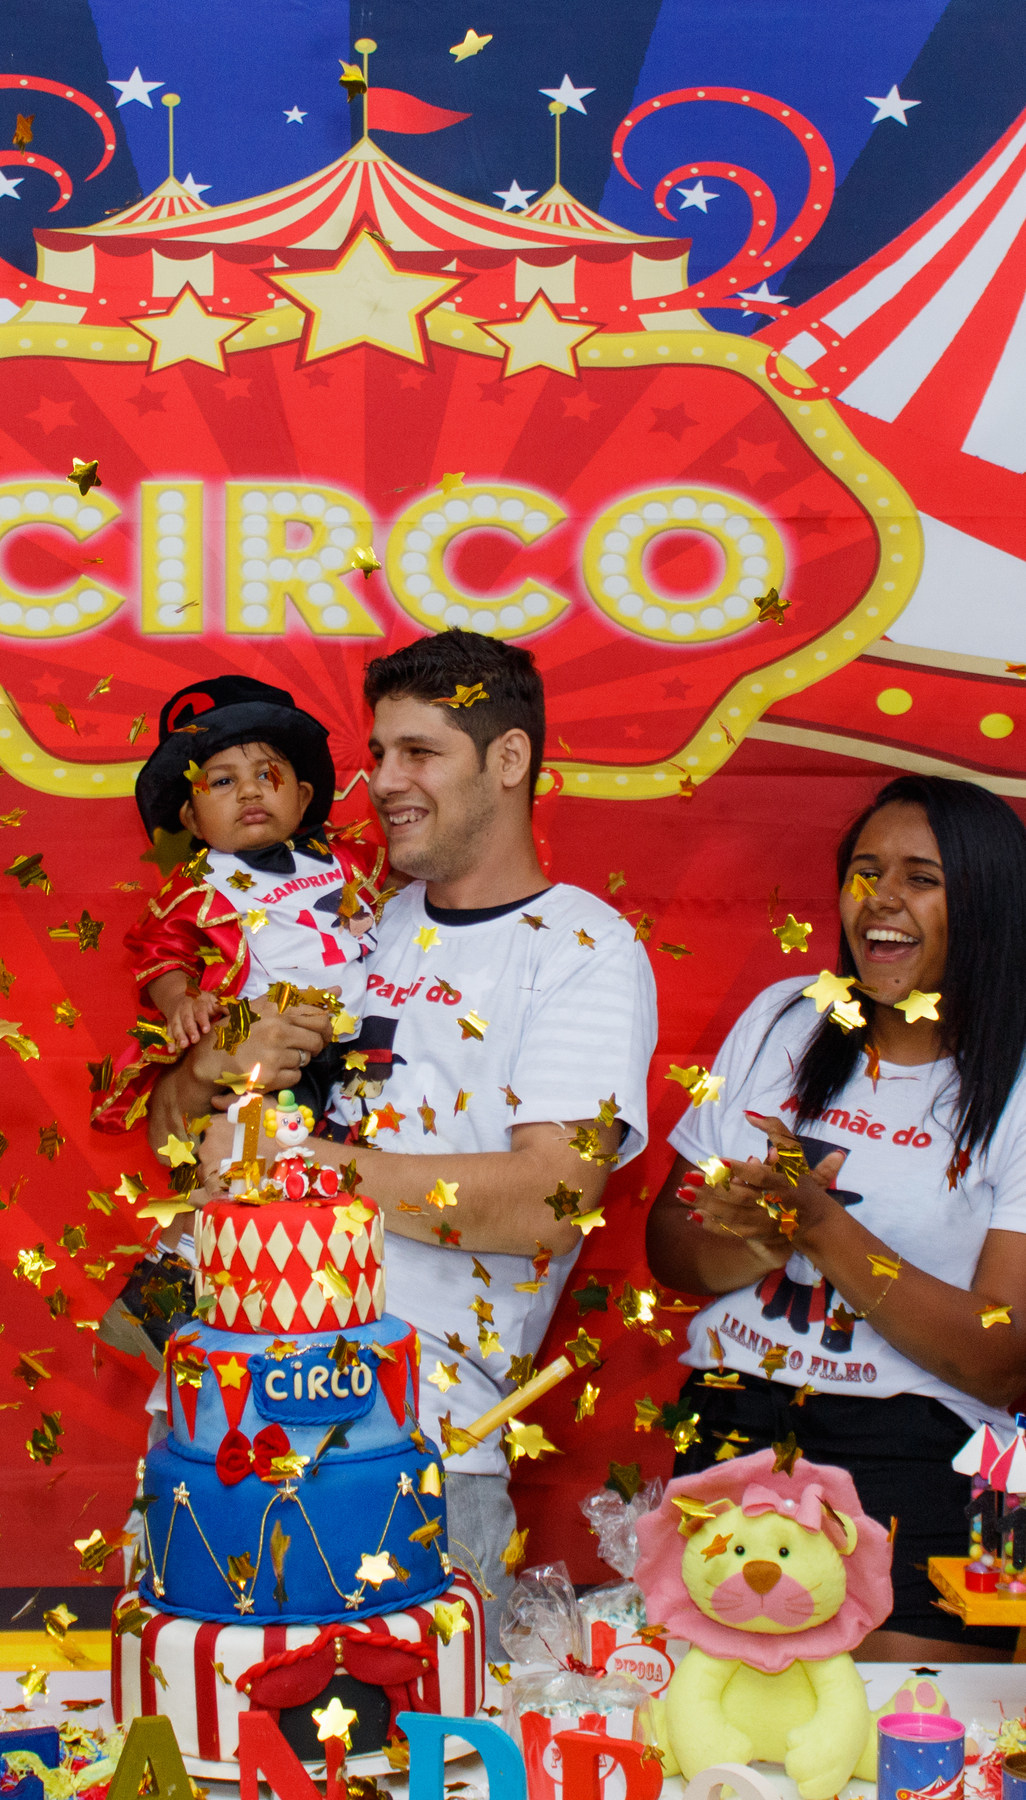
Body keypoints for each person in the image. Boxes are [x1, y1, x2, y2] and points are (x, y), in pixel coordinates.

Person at [193, 630, 658, 1642]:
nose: (384, 782)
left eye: (419, 752)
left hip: (415, 1443)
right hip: (226, 1418)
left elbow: (552, 1201)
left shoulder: (584, 949)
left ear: (509, 758)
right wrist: (213, 1070)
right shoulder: (353, 918)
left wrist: (300, 1168)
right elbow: (181, 1129)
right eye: (378, 754)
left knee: (418, 1730)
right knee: (208, 1718)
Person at [646, 774, 1026, 1662]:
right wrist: (757, 1237)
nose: (881, 897)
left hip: (917, 1453)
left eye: (922, 878)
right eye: (865, 871)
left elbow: (1002, 1355)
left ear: (987, 905)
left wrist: (822, 1229)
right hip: (732, 1426)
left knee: (903, 1728)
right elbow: (669, 1250)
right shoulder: (784, 1019)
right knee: (707, 1722)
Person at [93, 675, 390, 1133]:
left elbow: (410, 890)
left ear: (303, 797)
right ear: (193, 819)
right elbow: (160, 954)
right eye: (223, 781)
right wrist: (181, 1000)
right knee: (270, 1131)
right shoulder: (198, 886)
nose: (249, 791)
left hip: (365, 1033)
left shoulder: (346, 856)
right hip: (279, 1047)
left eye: (267, 775)